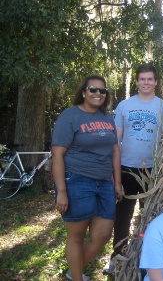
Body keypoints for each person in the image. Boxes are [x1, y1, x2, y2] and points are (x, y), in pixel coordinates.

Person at [103, 63, 163, 275]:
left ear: (155, 82)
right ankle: (116, 259)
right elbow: (116, 141)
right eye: (142, 79)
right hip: (126, 169)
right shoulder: (124, 106)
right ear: (137, 82)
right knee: (122, 217)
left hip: (153, 171)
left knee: (151, 218)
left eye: (149, 79)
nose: (146, 82)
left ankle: (149, 261)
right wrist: (114, 172)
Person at [52, 75, 123, 281]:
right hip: (77, 180)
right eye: (93, 89)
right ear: (83, 92)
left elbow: (115, 150)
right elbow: (57, 154)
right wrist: (62, 191)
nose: (98, 94)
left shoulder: (107, 117)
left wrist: (117, 183)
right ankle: (76, 277)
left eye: (102, 91)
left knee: (102, 235)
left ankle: (73, 272)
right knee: (76, 237)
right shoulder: (70, 116)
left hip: (104, 183)